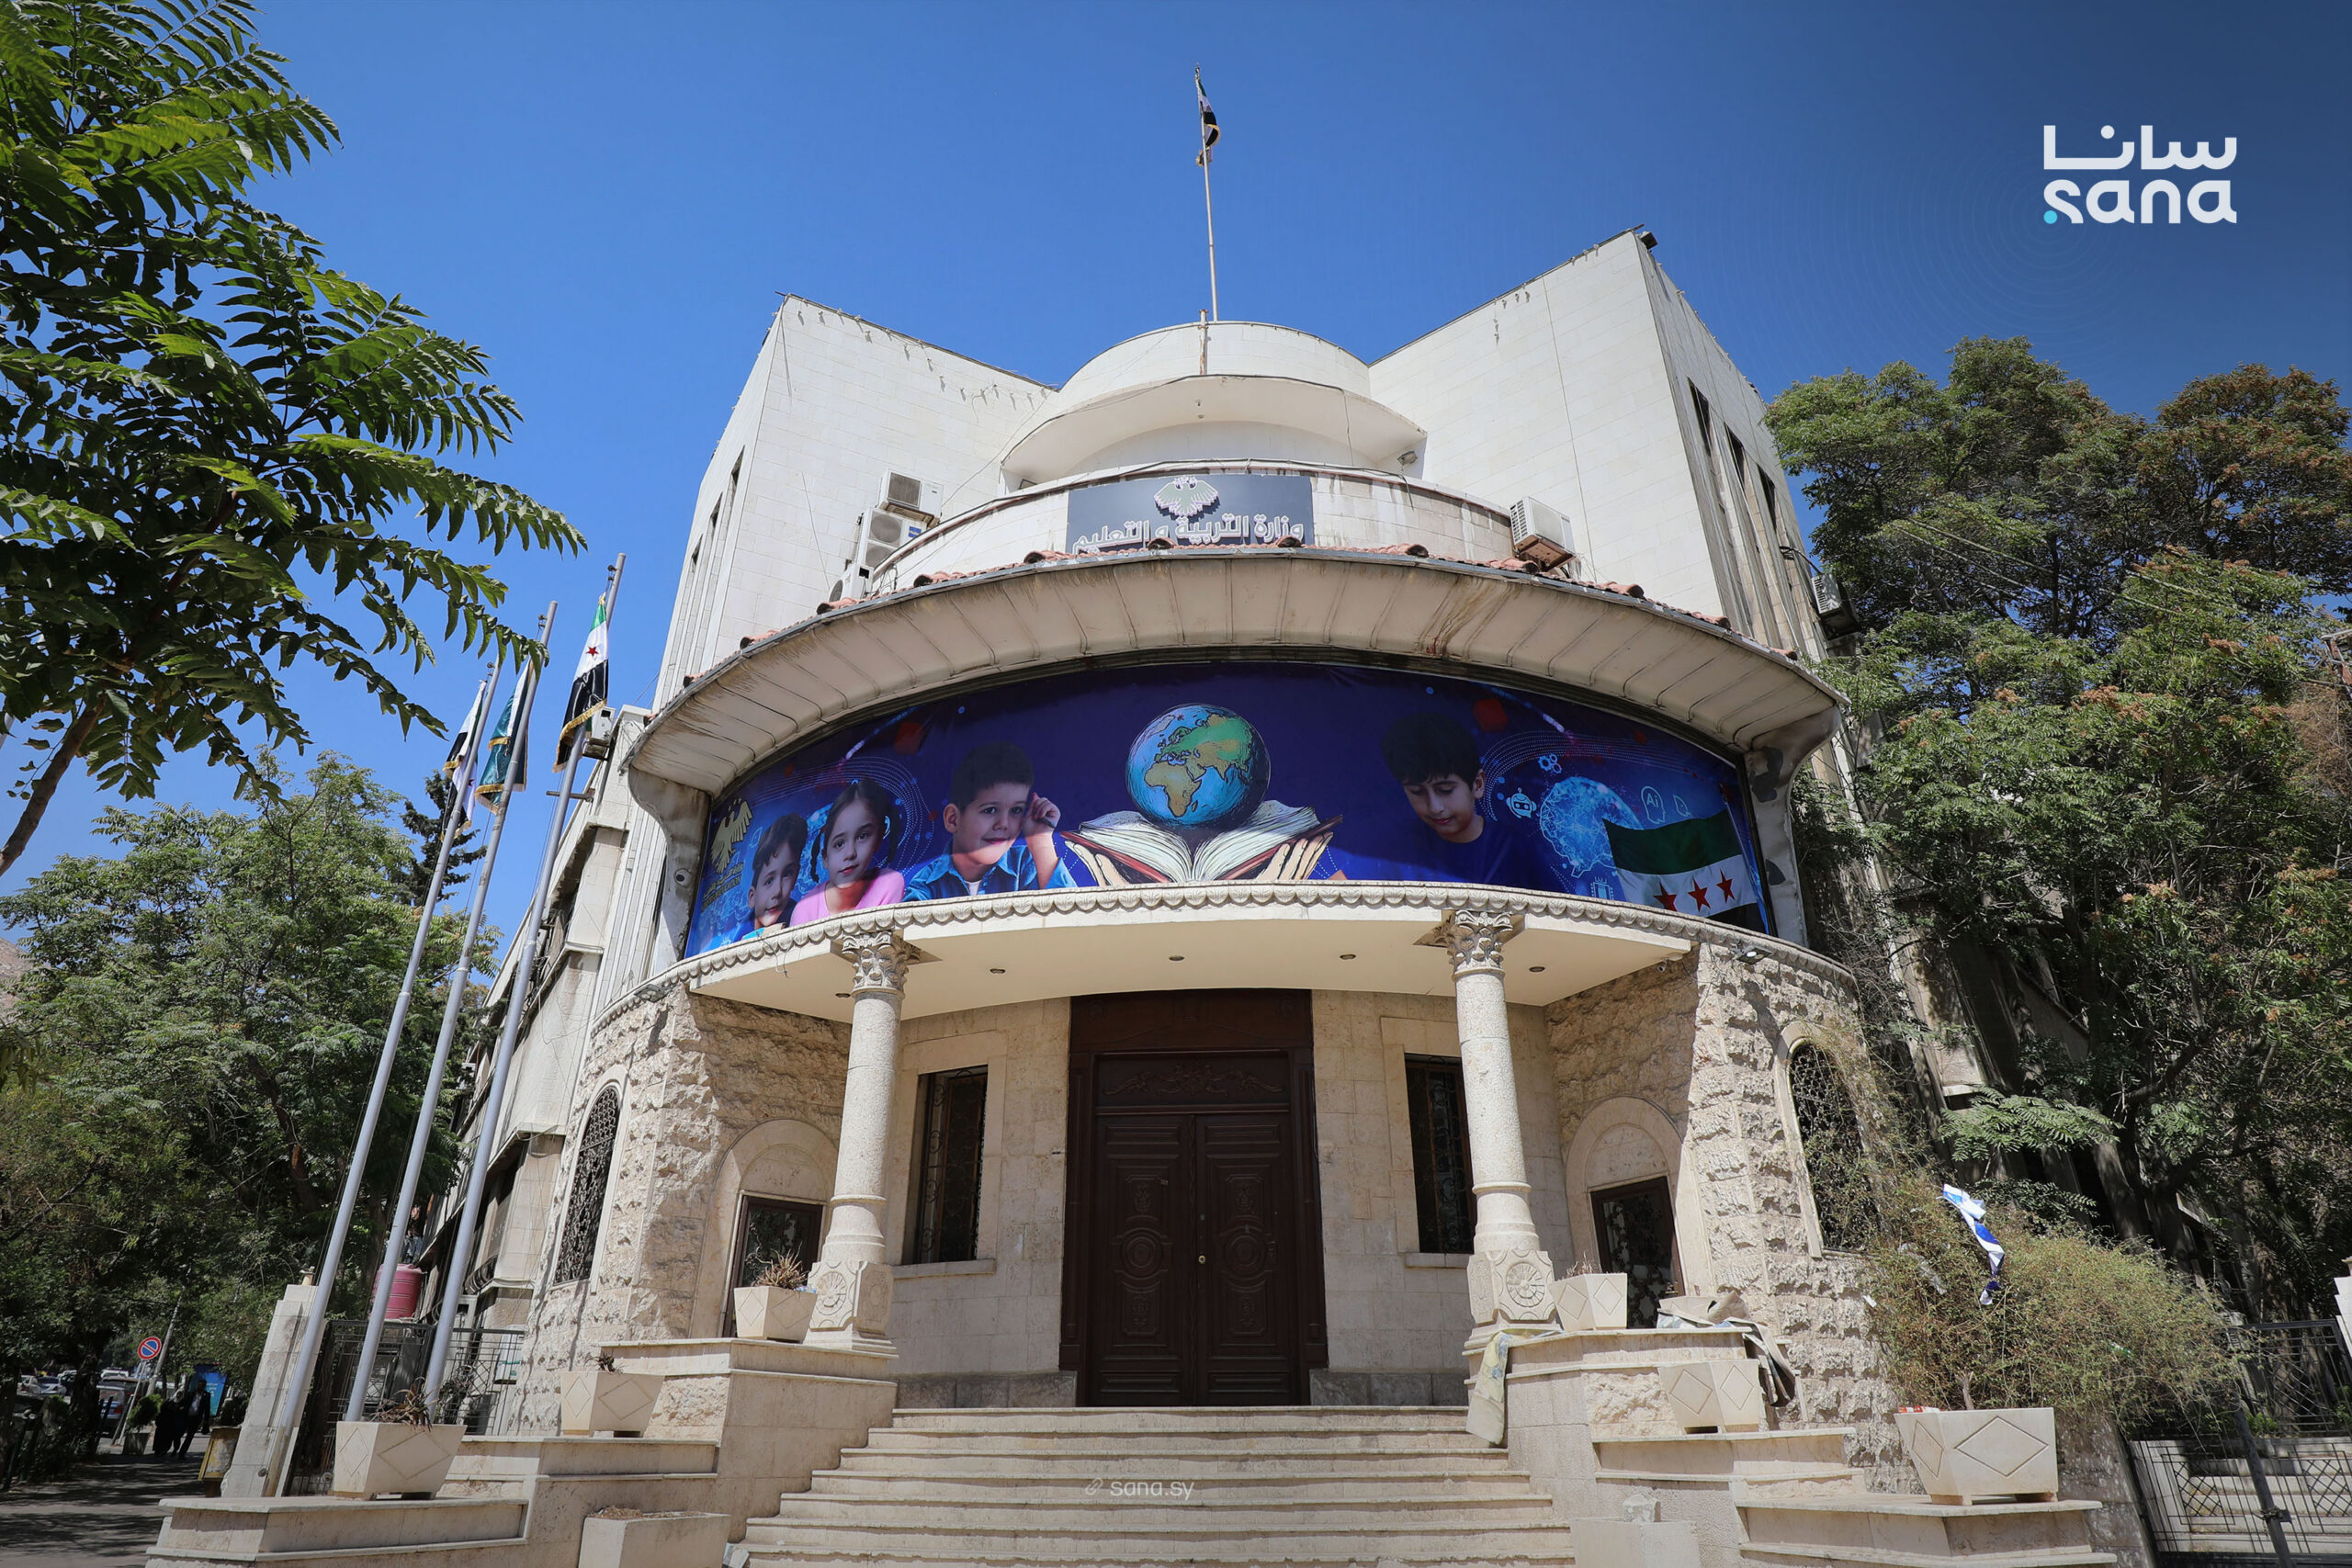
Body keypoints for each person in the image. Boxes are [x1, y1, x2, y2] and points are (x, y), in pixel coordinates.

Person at [1378, 713, 1564, 891]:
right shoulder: (1396, 849)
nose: (1435, 807)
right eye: (1417, 792)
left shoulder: (1515, 849)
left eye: (1445, 790)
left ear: (1477, 784)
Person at [902, 740, 1077, 901]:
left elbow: (1070, 915)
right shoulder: (925, 885)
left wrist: (1041, 842)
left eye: (1016, 810)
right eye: (990, 810)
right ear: (953, 819)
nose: (1004, 824)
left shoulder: (1027, 866)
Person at [792, 779, 907, 923]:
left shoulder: (888, 884)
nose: (850, 853)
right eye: (839, 844)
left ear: (877, 840)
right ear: (825, 857)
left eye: (862, 836)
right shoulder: (805, 909)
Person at [741, 812, 808, 938]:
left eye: (787, 874)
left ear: (796, 876)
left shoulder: (800, 918)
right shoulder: (738, 935)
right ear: (752, 897)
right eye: (769, 881)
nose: (777, 891)